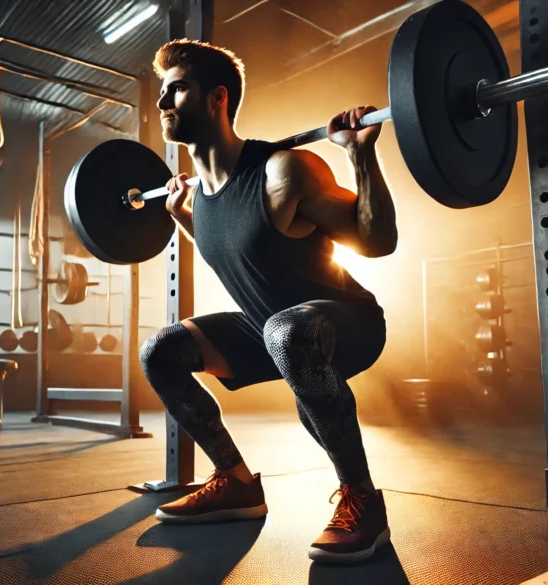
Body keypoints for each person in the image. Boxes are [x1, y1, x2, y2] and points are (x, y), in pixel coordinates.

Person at [139, 38, 398, 565]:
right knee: (162, 350)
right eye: (162, 92)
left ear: (217, 98)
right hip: (272, 329)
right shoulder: (200, 198)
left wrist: (360, 153)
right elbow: (237, 247)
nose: (163, 103)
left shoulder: (283, 171)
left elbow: (377, 242)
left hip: (345, 323)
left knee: (287, 330)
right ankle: (235, 482)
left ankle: (364, 502)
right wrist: (181, 217)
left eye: (178, 89)